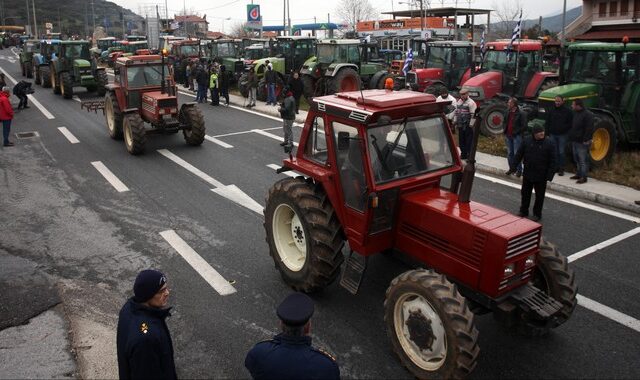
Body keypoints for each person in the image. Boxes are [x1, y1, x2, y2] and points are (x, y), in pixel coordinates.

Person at [245, 293, 340, 380]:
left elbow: (252, 368)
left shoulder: (259, 352)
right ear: (308, 327)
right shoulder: (326, 365)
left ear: (281, 325)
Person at [117, 269, 176, 380]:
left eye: (166, 288)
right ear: (147, 295)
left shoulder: (128, 308)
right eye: (161, 291)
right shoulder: (146, 339)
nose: (167, 293)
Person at [513, 124, 556, 221]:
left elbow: (553, 160)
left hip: (541, 175)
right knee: (525, 193)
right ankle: (523, 211)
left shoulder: (549, 143)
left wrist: (550, 175)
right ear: (534, 133)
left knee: (539, 196)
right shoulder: (527, 141)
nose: (542, 133)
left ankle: (537, 214)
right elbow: (519, 154)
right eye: (539, 132)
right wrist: (513, 166)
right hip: (528, 172)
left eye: (543, 131)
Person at [545, 95, 573, 176]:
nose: (557, 103)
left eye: (558, 101)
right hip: (552, 134)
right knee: (554, 152)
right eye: (556, 101)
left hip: (562, 135)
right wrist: (547, 133)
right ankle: (555, 167)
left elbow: (570, 123)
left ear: (562, 101)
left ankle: (561, 168)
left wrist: (565, 129)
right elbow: (547, 122)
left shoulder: (568, 111)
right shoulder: (551, 110)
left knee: (561, 152)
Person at [568, 99, 594, 184]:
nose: (572, 106)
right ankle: (579, 174)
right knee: (576, 159)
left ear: (578, 106)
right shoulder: (575, 113)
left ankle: (584, 177)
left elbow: (589, 129)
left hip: (582, 141)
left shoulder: (588, 115)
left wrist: (586, 140)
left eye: (573, 105)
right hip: (574, 140)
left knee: (582, 160)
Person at [503, 97, 527, 177]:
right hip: (508, 135)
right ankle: (512, 169)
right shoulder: (507, 112)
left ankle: (519, 170)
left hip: (517, 136)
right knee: (510, 153)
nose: (508, 104)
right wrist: (505, 130)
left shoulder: (521, 113)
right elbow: (504, 121)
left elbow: (524, 126)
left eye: (509, 103)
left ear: (513, 104)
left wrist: (516, 132)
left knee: (517, 154)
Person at [454, 88, 477, 159]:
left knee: (469, 141)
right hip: (460, 125)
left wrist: (471, 125)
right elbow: (456, 112)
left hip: (467, 125)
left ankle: (469, 155)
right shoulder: (459, 102)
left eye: (464, 94)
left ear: (467, 94)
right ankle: (463, 154)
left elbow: (474, 115)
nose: (462, 96)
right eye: (461, 94)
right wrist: (455, 121)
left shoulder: (471, 103)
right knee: (461, 141)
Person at [279, 87, 296, 152]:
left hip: (288, 117)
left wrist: (280, 109)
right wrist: (282, 105)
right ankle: (286, 141)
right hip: (289, 116)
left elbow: (287, 109)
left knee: (288, 130)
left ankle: (290, 143)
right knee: (285, 129)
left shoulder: (288, 99)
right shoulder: (291, 97)